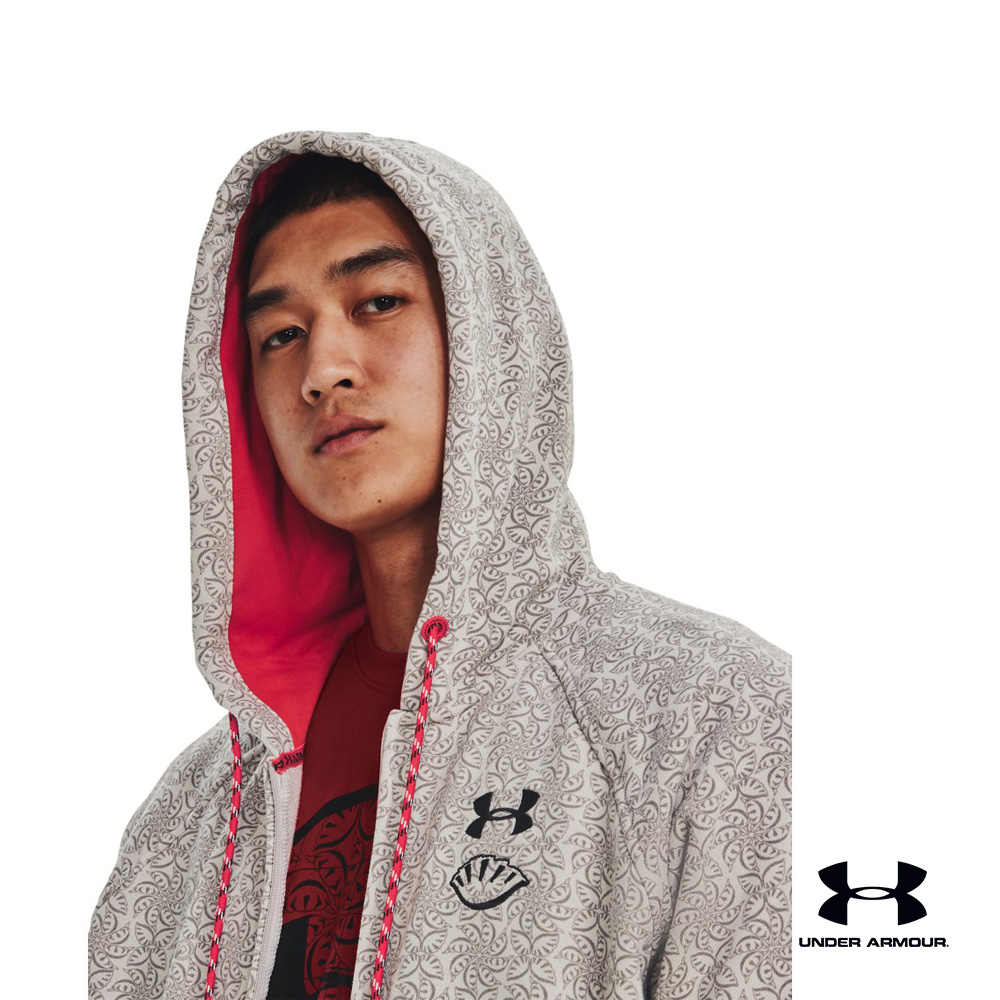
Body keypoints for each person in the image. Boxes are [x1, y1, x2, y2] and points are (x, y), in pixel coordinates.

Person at [89, 133, 791, 1000]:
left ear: (493, 337)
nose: (322, 371)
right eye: (281, 335)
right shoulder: (184, 824)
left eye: (379, 301)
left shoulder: (714, 716)